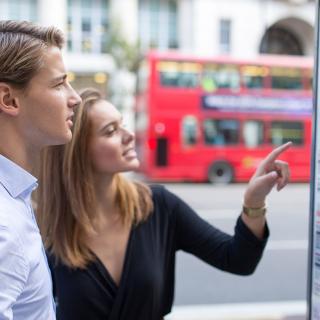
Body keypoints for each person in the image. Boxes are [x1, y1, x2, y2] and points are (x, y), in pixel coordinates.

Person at [37, 88, 291, 320]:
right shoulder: (48, 229)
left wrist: (253, 202)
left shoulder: (157, 206)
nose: (130, 135)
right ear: (79, 152)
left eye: (123, 125)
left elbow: (238, 259)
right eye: (111, 131)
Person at [0, 20, 81, 320]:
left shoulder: (16, 196)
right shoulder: (5, 226)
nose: (76, 98)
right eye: (59, 84)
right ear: (8, 99)